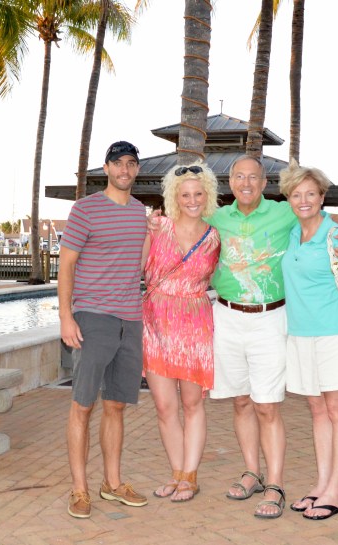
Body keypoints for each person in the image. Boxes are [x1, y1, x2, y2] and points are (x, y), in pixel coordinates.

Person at [206, 155, 338, 519]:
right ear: (230, 182)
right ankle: (251, 472)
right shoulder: (217, 218)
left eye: (253, 177)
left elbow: (326, 216)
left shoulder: (284, 212)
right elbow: (184, 220)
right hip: (227, 316)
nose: (246, 183)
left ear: (264, 183)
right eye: (239, 177)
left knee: (267, 404)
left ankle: (274, 483)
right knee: (241, 402)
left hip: (271, 319)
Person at [58, 141, 149, 519]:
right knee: (83, 405)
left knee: (115, 405)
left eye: (131, 164)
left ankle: (112, 484)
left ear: (136, 170)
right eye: (118, 164)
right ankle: (79, 490)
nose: (124, 170)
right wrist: (66, 316)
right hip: (93, 317)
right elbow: (66, 265)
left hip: (131, 318)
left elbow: (140, 262)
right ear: (106, 168)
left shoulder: (142, 212)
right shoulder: (86, 209)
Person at [279, 160, 338, 521]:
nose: (303, 201)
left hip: (334, 334)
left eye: (310, 194)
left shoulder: (334, 235)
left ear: (322, 197)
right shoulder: (291, 232)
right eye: (296, 194)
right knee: (317, 411)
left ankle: (335, 491)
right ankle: (320, 485)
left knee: (337, 411)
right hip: (299, 336)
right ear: (289, 199)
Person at [142, 162, 221, 503]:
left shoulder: (216, 235)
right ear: (174, 197)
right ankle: (177, 473)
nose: (192, 200)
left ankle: (190, 476)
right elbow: (135, 265)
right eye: (185, 194)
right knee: (164, 405)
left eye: (198, 194)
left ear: (208, 196)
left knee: (192, 403)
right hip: (157, 321)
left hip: (194, 323)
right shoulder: (157, 227)